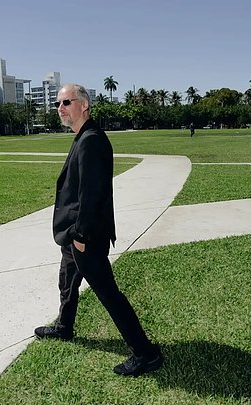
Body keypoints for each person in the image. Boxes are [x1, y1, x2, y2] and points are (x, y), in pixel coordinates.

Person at [34, 83, 163, 377]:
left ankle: (146, 352)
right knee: (68, 281)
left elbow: (92, 194)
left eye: (66, 102)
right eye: (58, 103)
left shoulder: (91, 140)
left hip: (86, 234)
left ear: (84, 105)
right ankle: (64, 326)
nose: (60, 108)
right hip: (74, 233)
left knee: (108, 292)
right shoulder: (83, 136)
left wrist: (81, 236)